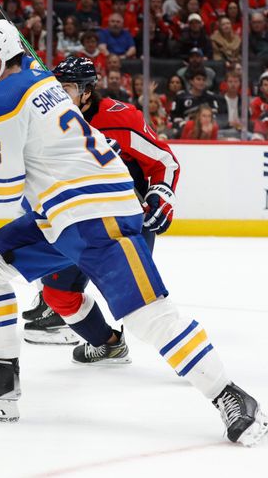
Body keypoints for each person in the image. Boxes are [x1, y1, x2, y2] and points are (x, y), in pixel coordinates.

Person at [0, 19, 268, 447]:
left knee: (149, 315)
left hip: (97, 215)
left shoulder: (0, 99)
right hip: (62, 216)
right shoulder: (45, 84)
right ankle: (2, 377)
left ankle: (232, 396)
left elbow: (1, 195)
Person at [22, 56, 180, 358]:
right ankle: (108, 344)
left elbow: (164, 162)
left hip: (124, 222)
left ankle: (197, 362)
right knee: (58, 294)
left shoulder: (122, 119)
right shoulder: (48, 122)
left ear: (86, 91)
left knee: (139, 308)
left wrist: (161, 196)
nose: (58, 94)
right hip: (75, 221)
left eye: (66, 88)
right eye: (56, 87)